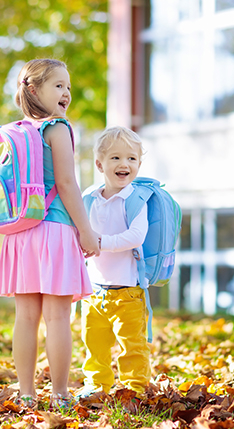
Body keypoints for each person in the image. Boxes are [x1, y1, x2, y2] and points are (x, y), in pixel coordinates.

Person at [0, 59, 100, 410]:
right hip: (54, 230)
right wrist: (85, 231)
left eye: (67, 87)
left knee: (24, 318)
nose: (66, 93)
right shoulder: (57, 128)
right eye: (58, 86)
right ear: (34, 89)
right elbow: (67, 184)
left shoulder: (15, 131)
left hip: (20, 233)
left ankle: (26, 393)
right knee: (57, 318)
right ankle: (60, 394)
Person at [78, 126, 151, 399]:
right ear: (100, 164)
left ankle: (134, 389)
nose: (124, 164)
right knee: (94, 343)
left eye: (132, 159)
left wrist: (100, 243)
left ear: (139, 165)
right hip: (94, 289)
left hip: (128, 291)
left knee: (132, 345)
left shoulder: (135, 200)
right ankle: (97, 386)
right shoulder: (89, 199)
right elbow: (80, 231)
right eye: (116, 158)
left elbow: (136, 236)